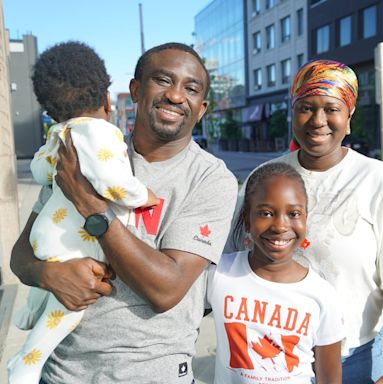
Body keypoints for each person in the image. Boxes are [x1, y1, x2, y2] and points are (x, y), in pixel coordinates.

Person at [10, 42, 238, 384]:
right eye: (162, 80)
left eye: (190, 89)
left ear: (201, 108)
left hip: (153, 374)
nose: (176, 96)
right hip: (62, 373)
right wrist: (47, 275)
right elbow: (20, 256)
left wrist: (93, 208)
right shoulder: (84, 150)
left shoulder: (211, 178)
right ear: (135, 89)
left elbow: (166, 290)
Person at [227, 60, 383, 384]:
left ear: (348, 118)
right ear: (293, 114)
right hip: (271, 357)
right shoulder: (264, 178)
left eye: (331, 109)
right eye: (306, 107)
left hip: (355, 362)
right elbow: (233, 261)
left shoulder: (379, 182)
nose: (318, 120)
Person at [8, 41, 160, 384]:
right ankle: (27, 363)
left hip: (48, 230)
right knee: (67, 309)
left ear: (50, 108)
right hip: (75, 238)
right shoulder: (101, 132)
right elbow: (113, 182)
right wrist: (142, 195)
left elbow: (40, 171)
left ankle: (33, 305)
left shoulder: (58, 134)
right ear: (106, 99)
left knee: (54, 273)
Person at [208, 162, 344, 383]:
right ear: (246, 220)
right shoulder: (219, 274)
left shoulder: (322, 294)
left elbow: (329, 378)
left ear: (306, 219)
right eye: (266, 213)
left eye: (294, 213)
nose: (280, 226)